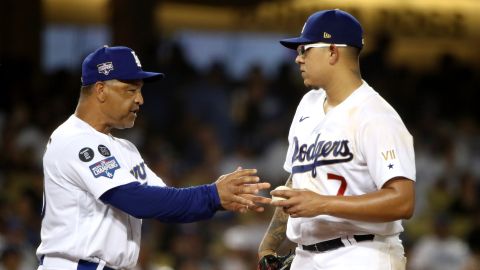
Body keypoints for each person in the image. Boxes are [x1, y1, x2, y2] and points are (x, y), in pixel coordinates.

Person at [36, 45, 271, 270]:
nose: (140, 99)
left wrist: (218, 200)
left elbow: (164, 203)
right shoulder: (74, 138)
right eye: (130, 90)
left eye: (140, 90)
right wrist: (211, 194)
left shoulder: (124, 148)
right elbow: (135, 200)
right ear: (100, 90)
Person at [258, 9, 416, 270]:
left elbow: (403, 200)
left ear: (333, 51)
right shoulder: (307, 105)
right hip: (305, 255)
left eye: (305, 49)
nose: (298, 58)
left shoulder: (375, 115)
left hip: (362, 252)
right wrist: (268, 246)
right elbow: (297, 181)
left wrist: (321, 203)